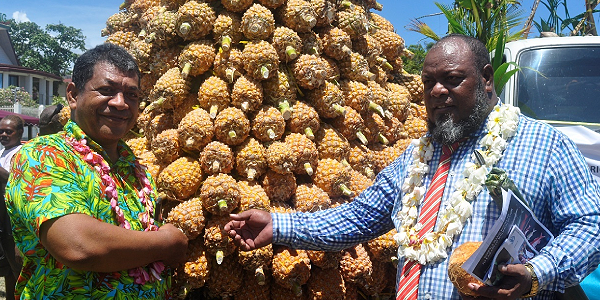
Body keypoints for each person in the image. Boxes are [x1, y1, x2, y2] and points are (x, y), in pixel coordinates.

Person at [225, 34, 600, 300]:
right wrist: (278, 225)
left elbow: (590, 225)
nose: (437, 91)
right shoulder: (416, 157)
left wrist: (539, 271)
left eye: (452, 79)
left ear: (486, 79)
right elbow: (358, 218)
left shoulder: (544, 145)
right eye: (428, 83)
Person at [5, 43, 188, 299]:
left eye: (132, 95)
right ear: (72, 95)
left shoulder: (137, 167)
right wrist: (168, 243)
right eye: (106, 90)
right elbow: (77, 245)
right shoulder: (44, 155)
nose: (121, 103)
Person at [0, 114, 24, 300]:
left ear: (19, 133)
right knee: (6, 268)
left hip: (12, 218)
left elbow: (15, 181)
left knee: (17, 268)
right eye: (1, 131)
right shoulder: (3, 152)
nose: (4, 135)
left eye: (9, 131)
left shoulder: (21, 153)